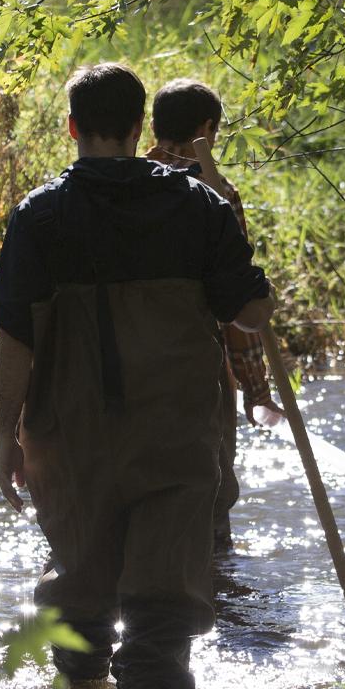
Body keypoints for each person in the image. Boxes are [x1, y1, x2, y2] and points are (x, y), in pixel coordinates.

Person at [0, 63, 274, 689]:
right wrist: (255, 280)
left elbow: (15, 337)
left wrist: (3, 433)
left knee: (81, 594)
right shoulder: (198, 206)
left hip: (71, 436)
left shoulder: (39, 218)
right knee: (163, 605)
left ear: (71, 127)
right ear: (140, 125)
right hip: (174, 433)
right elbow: (249, 315)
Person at [144, 78, 284, 550]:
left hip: (125, 365)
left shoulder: (121, 183)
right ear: (208, 127)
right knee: (208, 507)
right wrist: (255, 387)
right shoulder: (216, 194)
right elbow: (237, 306)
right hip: (195, 370)